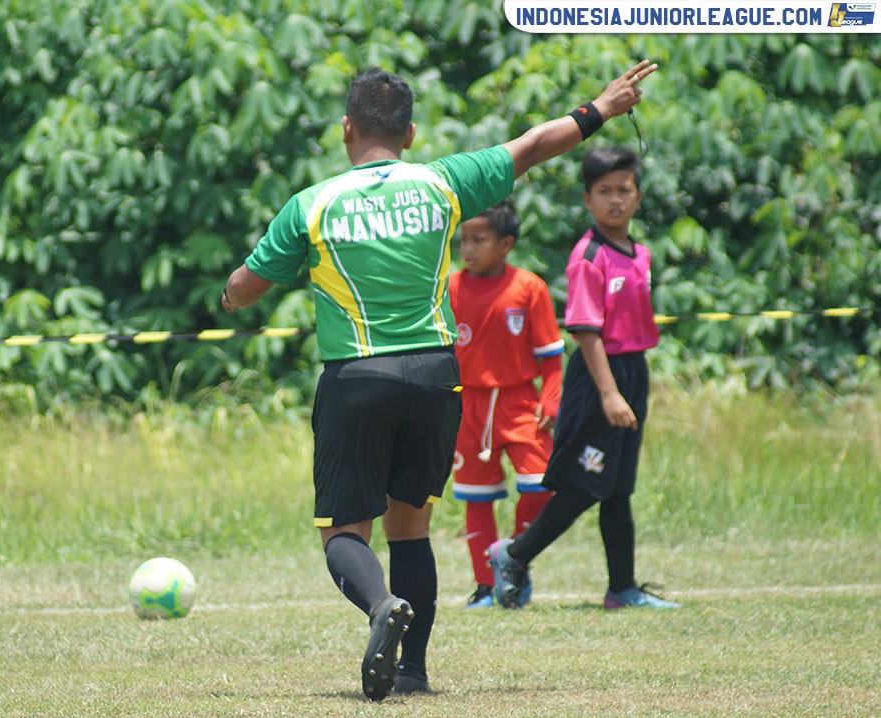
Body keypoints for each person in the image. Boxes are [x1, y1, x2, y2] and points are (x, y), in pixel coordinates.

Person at [221, 62, 657, 699]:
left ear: (347, 128)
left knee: (343, 531)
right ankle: (413, 672)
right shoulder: (441, 182)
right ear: (412, 132)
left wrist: (229, 299)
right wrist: (600, 107)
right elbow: (534, 144)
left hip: (357, 376)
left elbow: (245, 285)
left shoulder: (312, 205)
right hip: (435, 376)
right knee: (411, 527)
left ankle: (378, 606)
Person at [487, 146, 681, 611]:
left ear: (637, 196)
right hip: (599, 380)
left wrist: (628, 387)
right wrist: (610, 394)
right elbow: (587, 331)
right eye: (604, 191)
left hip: (633, 371)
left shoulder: (640, 254)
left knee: (618, 487)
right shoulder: (587, 256)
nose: (615, 200)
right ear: (587, 199)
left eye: (624, 190)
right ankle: (513, 555)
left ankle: (622, 588)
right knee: (584, 484)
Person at [448, 201, 563, 608]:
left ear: (506, 244)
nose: (469, 249)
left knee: (541, 483)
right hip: (468, 405)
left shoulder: (529, 287)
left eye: (479, 240)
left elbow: (551, 356)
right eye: (464, 240)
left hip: (519, 402)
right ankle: (484, 586)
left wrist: (550, 401)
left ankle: (514, 558)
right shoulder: (450, 288)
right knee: (477, 497)